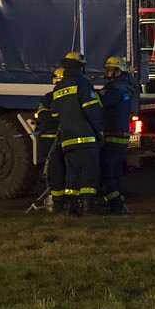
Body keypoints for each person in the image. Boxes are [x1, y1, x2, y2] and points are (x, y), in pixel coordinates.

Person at [51, 51, 103, 216]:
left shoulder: (58, 88)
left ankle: (71, 209)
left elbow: (54, 115)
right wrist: (99, 132)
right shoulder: (83, 84)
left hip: (67, 140)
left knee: (72, 175)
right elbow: (92, 110)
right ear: (80, 67)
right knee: (89, 172)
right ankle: (87, 208)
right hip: (86, 139)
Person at [99, 56, 134, 215]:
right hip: (121, 135)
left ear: (118, 71)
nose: (107, 72)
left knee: (108, 171)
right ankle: (119, 202)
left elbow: (99, 104)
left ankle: (115, 205)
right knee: (117, 172)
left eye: (110, 69)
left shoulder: (113, 89)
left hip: (112, 134)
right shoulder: (125, 86)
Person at [35, 67, 66, 213]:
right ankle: (55, 201)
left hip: (61, 140)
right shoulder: (48, 98)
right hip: (50, 141)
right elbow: (42, 116)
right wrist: (59, 117)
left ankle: (60, 200)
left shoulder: (63, 98)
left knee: (62, 171)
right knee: (55, 171)